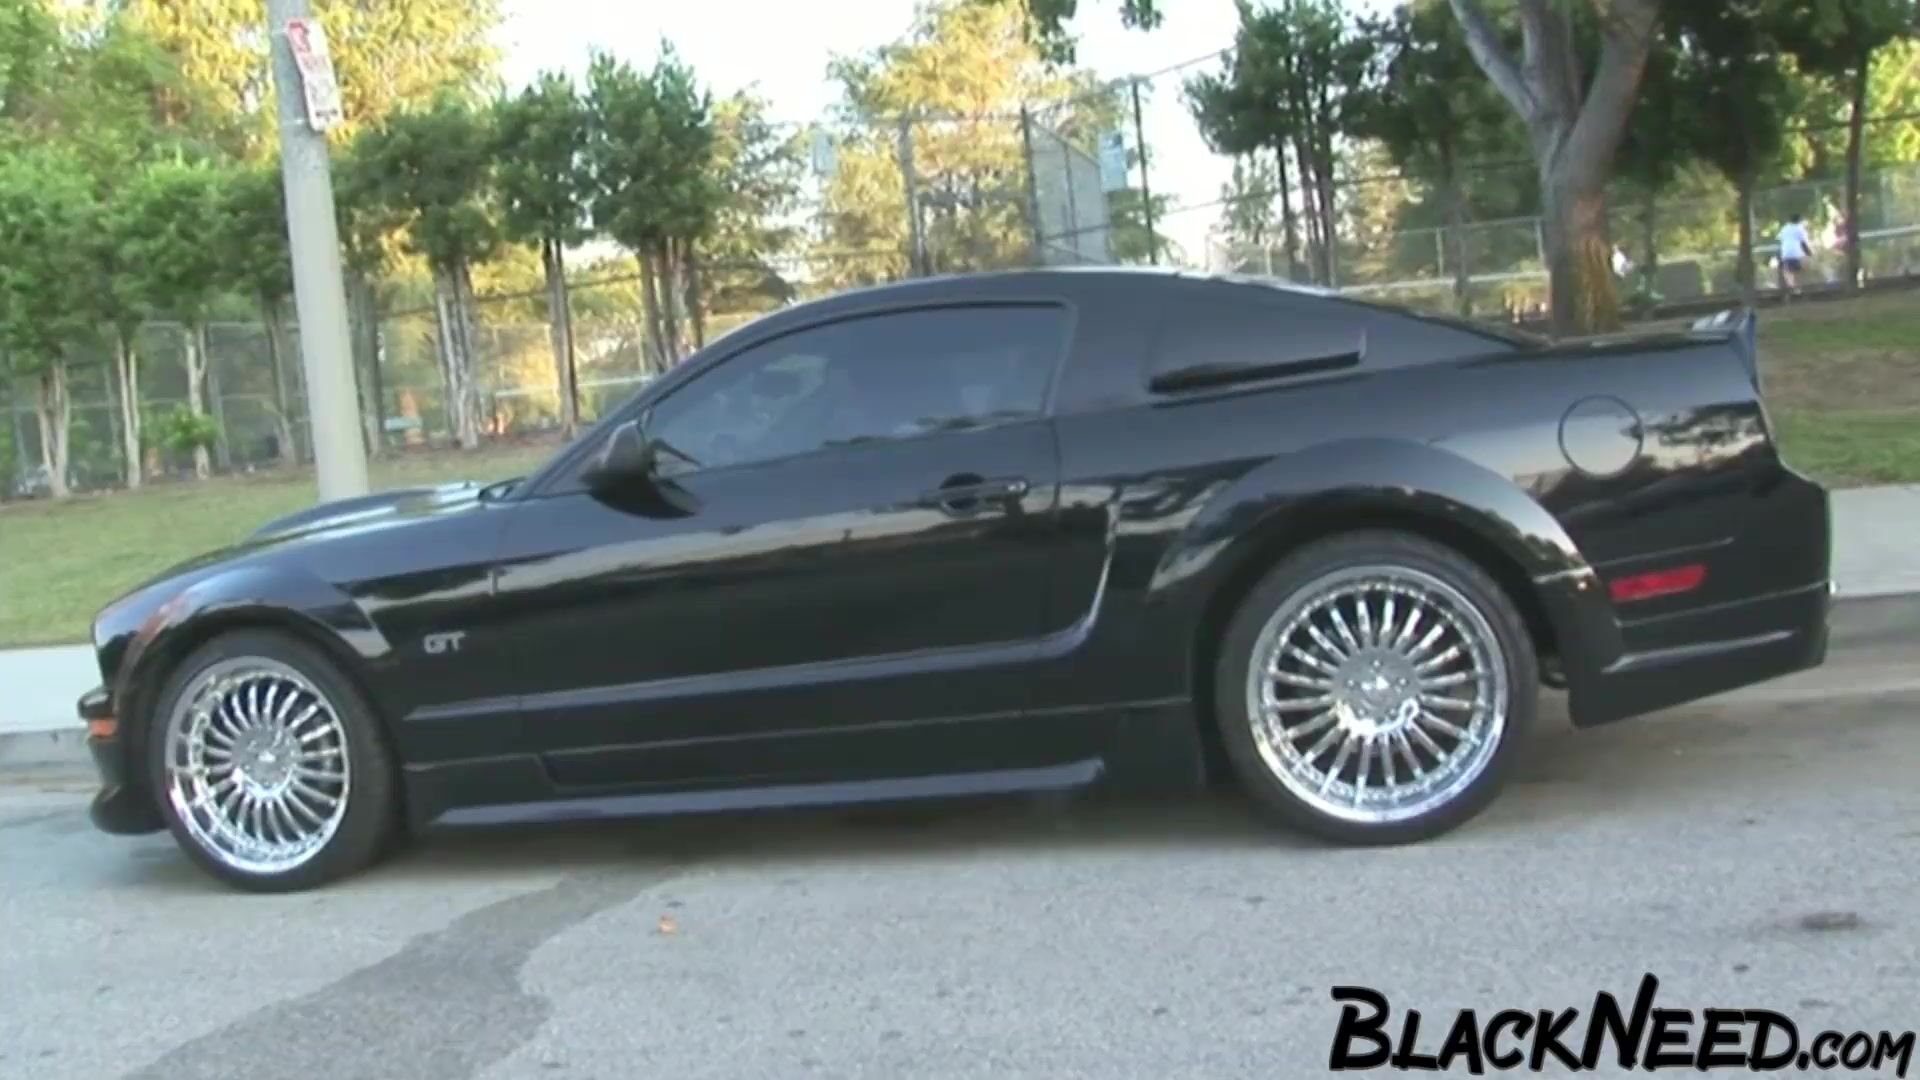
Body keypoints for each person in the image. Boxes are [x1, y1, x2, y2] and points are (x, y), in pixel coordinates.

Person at [1778, 212, 1813, 293]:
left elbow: (1780, 240)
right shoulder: (1800, 228)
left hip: (1786, 253)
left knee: (1788, 272)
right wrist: (1809, 253)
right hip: (1797, 253)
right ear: (1799, 220)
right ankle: (1799, 289)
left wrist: (1780, 254)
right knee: (1798, 271)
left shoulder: (1785, 228)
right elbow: (1803, 243)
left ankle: (1792, 288)